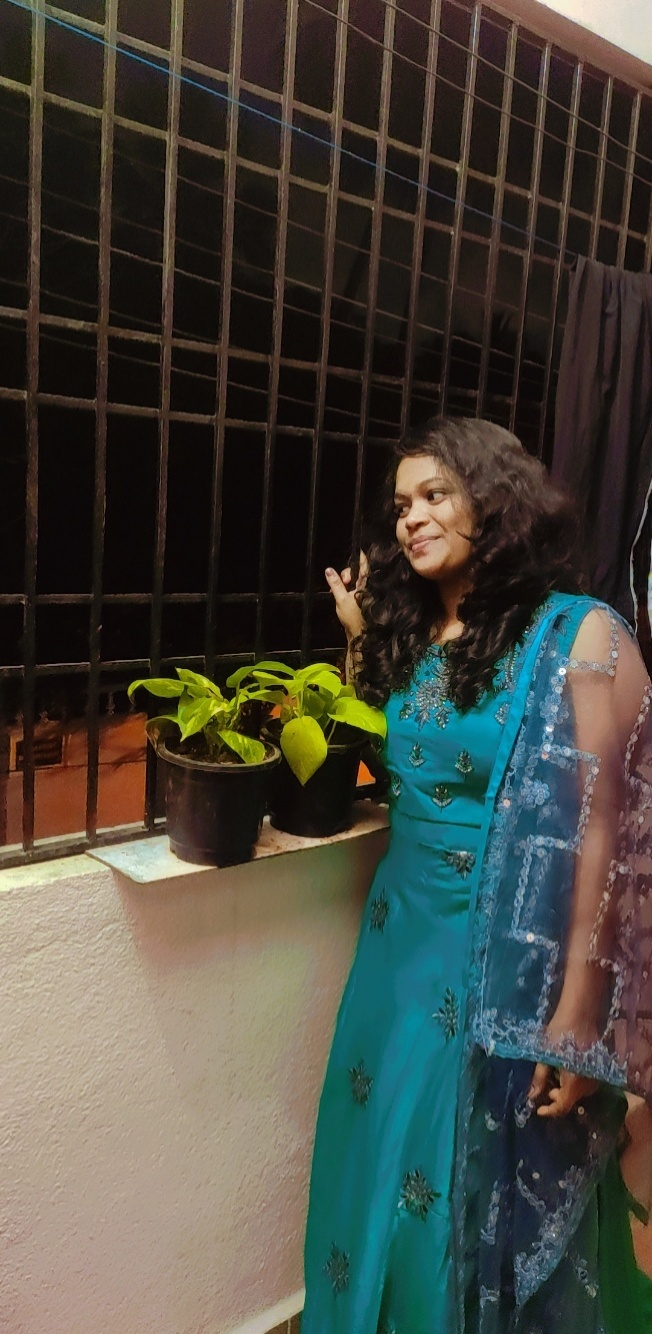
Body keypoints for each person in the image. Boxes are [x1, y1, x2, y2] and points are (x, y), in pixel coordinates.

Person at [302, 417, 652, 1334]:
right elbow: (411, 760)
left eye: (435, 495)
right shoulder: (416, 633)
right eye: (401, 506)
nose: (411, 519)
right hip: (398, 945)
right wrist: (359, 638)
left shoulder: (577, 636)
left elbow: (610, 834)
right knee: (382, 1145)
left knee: (461, 1174)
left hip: (501, 959)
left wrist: (578, 1022)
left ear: (494, 501)